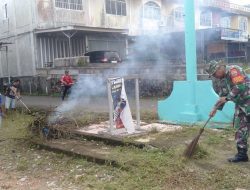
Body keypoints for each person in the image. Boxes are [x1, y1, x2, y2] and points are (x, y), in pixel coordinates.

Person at [206, 60, 250, 162]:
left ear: (219, 68)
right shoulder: (222, 80)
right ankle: (242, 154)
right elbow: (222, 96)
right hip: (241, 106)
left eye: (214, 74)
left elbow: (240, 86)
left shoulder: (233, 70)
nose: (214, 76)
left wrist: (227, 98)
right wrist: (214, 109)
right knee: (240, 128)